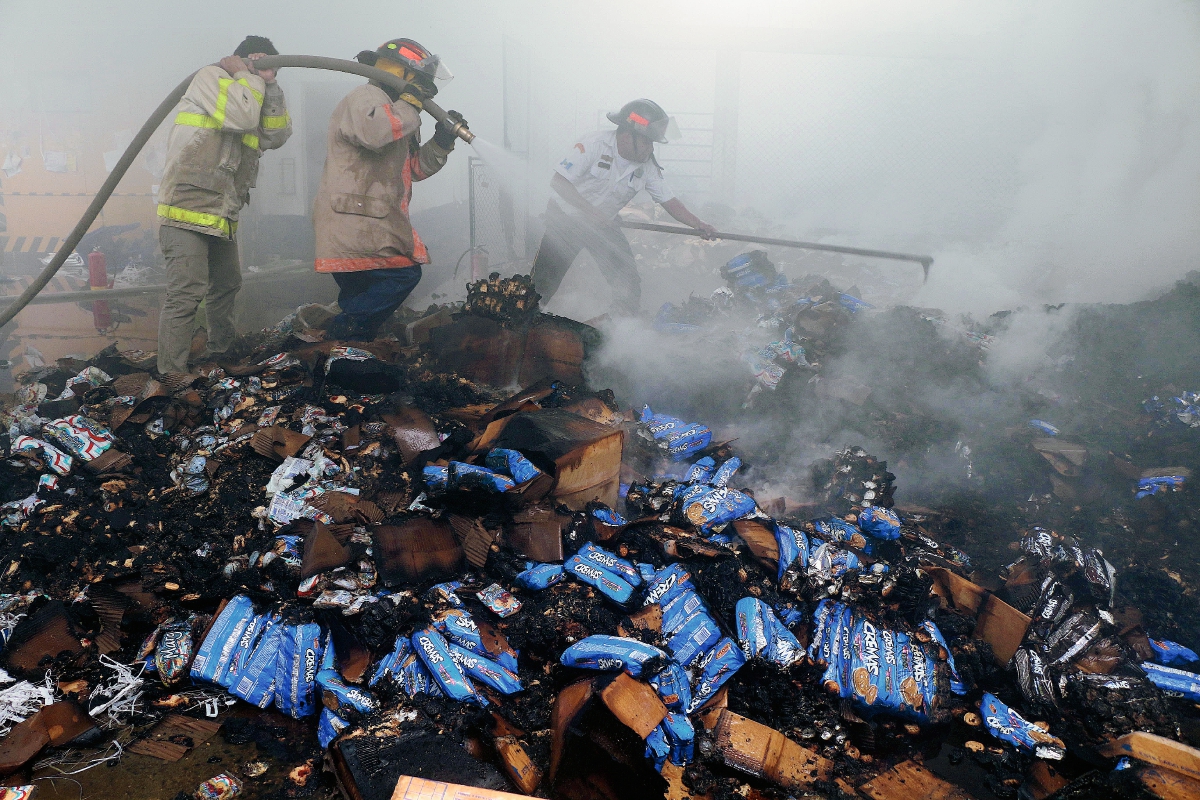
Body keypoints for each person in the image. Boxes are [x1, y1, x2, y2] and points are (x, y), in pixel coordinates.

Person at [156, 36, 292, 374]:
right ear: (241, 60)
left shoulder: (254, 90)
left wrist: (271, 86)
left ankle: (218, 354)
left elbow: (275, 135)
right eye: (257, 64)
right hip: (186, 211)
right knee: (186, 294)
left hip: (222, 213)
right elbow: (243, 117)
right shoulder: (210, 77)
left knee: (227, 284)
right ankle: (171, 374)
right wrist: (251, 76)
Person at [312, 38, 464, 341]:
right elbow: (375, 133)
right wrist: (410, 104)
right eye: (420, 80)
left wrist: (442, 143)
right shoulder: (366, 95)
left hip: (367, 222)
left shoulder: (396, 109)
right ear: (402, 72)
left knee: (361, 299)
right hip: (355, 221)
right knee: (403, 274)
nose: (423, 87)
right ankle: (338, 339)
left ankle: (344, 358)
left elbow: (414, 169)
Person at [530, 99, 717, 316]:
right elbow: (559, 182)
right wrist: (592, 213)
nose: (651, 148)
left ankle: (618, 331)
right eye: (647, 142)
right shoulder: (593, 145)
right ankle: (520, 328)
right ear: (627, 136)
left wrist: (699, 224)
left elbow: (670, 202)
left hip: (602, 224)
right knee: (541, 286)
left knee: (627, 282)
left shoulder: (647, 166)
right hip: (565, 221)